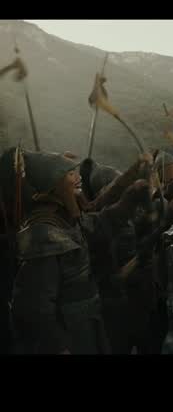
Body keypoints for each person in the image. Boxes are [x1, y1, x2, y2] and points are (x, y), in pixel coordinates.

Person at [11, 151, 151, 354]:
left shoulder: (65, 219)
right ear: (55, 184)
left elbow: (101, 222)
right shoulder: (43, 234)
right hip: (69, 336)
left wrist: (130, 198)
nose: (78, 178)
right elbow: (36, 306)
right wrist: (58, 347)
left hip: (85, 326)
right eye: (70, 174)